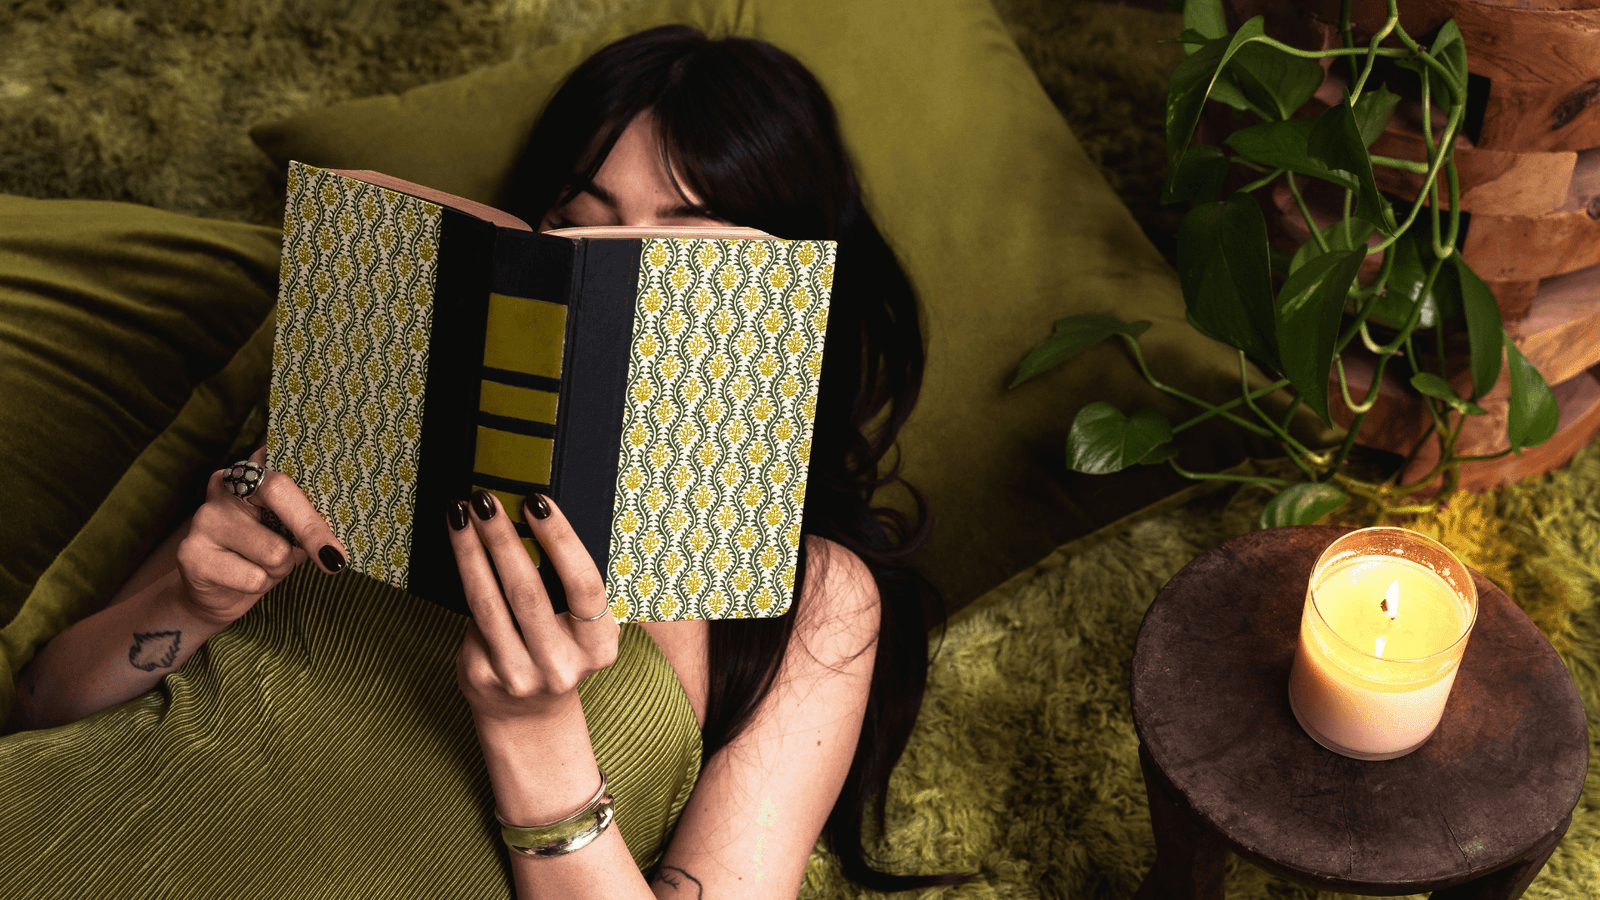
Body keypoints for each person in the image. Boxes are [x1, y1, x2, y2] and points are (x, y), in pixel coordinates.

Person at [4, 25, 960, 899]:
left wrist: (532, 732)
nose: (625, 258)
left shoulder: (814, 599)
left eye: (688, 236)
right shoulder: (373, 391)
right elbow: (45, 703)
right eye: (583, 222)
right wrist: (187, 600)